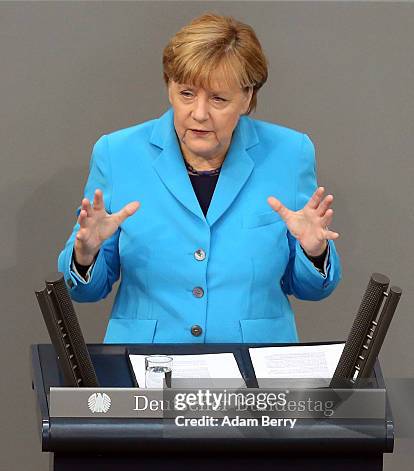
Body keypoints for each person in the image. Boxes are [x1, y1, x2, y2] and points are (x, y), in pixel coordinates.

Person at [58, 13, 341, 344]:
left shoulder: (290, 154)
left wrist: (314, 252)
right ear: (169, 87)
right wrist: (86, 255)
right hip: (146, 367)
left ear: (248, 97)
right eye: (187, 94)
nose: (200, 113)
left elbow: (311, 289)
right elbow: (84, 291)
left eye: (219, 98)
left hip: (257, 373)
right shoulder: (117, 153)